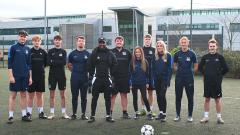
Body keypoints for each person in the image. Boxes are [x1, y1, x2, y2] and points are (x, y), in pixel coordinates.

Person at [198, 38, 229, 124]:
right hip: (207, 82)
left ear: (216, 47)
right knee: (207, 99)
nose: (212, 47)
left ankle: (219, 118)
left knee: (217, 99)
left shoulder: (220, 57)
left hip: (216, 83)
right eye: (210, 46)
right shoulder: (205, 57)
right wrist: (205, 74)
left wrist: (219, 75)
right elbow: (200, 68)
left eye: (213, 46)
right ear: (208, 47)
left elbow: (226, 68)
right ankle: (206, 117)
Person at [87, 37, 117, 123]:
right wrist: (91, 76)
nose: (102, 44)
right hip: (96, 79)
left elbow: (115, 64)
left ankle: (108, 116)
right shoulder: (94, 53)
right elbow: (89, 65)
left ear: (105, 43)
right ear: (98, 43)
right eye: (100, 43)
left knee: (108, 98)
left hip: (107, 79)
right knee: (94, 98)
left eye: (103, 42)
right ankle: (92, 116)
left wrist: (111, 74)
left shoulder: (110, 53)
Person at [7, 30, 32, 124]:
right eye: (21, 36)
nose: (23, 38)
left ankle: (24, 115)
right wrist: (11, 76)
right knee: (13, 95)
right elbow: (9, 64)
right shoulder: (13, 48)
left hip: (25, 76)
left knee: (23, 95)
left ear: (26, 38)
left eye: (25, 36)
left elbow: (29, 65)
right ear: (18, 37)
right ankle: (10, 116)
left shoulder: (27, 49)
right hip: (15, 76)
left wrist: (30, 77)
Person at [173, 36, 198, 122]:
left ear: (188, 43)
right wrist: (178, 70)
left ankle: (190, 116)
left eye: (185, 42)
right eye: (182, 42)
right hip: (179, 78)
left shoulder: (192, 54)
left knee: (190, 97)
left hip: (189, 79)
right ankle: (177, 115)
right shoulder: (177, 54)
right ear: (180, 44)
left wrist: (191, 72)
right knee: (178, 97)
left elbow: (195, 65)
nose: (183, 44)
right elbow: (174, 64)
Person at [47, 35, 70, 120]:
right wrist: (57, 61)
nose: (57, 41)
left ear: (61, 41)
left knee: (63, 95)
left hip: (61, 76)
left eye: (59, 40)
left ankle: (64, 113)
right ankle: (52, 113)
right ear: (54, 41)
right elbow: (48, 62)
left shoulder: (63, 51)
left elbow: (64, 62)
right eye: (56, 40)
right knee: (52, 95)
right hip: (52, 76)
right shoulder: (50, 51)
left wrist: (54, 61)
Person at [67, 36, 90, 120]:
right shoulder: (72, 54)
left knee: (84, 97)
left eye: (82, 41)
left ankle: (83, 114)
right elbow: (69, 65)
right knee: (74, 96)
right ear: (77, 42)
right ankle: (74, 114)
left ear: (84, 43)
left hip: (84, 78)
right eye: (79, 41)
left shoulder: (87, 54)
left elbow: (90, 66)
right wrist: (75, 71)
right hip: (74, 78)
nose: (81, 42)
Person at [110, 36, 132, 119]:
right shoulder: (111, 52)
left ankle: (125, 113)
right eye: (117, 41)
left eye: (120, 41)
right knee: (112, 96)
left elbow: (131, 65)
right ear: (115, 42)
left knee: (124, 95)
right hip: (114, 78)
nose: (119, 42)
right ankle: (110, 113)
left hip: (124, 78)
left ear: (123, 42)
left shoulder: (127, 52)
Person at [130, 46, 153, 120]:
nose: (137, 53)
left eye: (139, 52)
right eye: (136, 52)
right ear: (134, 53)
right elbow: (129, 73)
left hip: (142, 82)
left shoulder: (145, 61)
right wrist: (130, 83)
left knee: (144, 97)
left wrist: (147, 82)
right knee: (135, 98)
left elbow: (147, 74)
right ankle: (136, 113)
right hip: (134, 83)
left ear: (141, 53)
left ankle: (149, 113)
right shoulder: (132, 62)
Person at [27, 35, 48, 120]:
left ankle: (41, 112)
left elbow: (46, 64)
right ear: (32, 42)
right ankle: (28, 113)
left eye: (38, 41)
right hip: (31, 77)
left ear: (40, 42)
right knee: (31, 95)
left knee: (40, 95)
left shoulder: (43, 52)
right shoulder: (29, 51)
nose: (36, 42)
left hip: (41, 77)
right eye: (35, 41)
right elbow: (28, 64)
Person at [152, 40, 172, 122]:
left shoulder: (168, 55)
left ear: (164, 46)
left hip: (164, 79)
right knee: (158, 95)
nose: (159, 47)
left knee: (162, 95)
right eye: (158, 46)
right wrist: (153, 79)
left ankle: (164, 114)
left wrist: (168, 81)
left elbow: (170, 69)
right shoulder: (155, 56)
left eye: (161, 45)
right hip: (157, 79)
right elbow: (152, 68)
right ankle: (160, 112)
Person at [141, 34, 156, 116]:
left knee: (150, 92)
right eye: (146, 39)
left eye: (149, 39)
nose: (147, 40)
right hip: (142, 74)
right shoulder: (141, 49)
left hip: (151, 75)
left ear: (151, 40)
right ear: (144, 40)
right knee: (143, 93)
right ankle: (143, 109)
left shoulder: (154, 50)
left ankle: (150, 109)